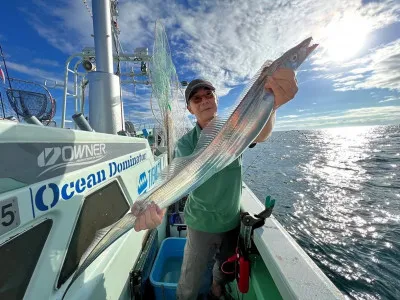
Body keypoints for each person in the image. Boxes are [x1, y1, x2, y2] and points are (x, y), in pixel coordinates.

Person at [133, 68, 298, 299]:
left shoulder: (237, 128)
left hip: (231, 221)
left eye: (208, 94)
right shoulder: (185, 144)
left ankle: (217, 290)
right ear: (190, 109)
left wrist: (272, 104)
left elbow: (260, 134)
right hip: (201, 223)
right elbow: (178, 180)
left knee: (224, 271)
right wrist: (153, 202)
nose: (204, 101)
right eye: (196, 99)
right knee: (191, 281)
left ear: (216, 99)